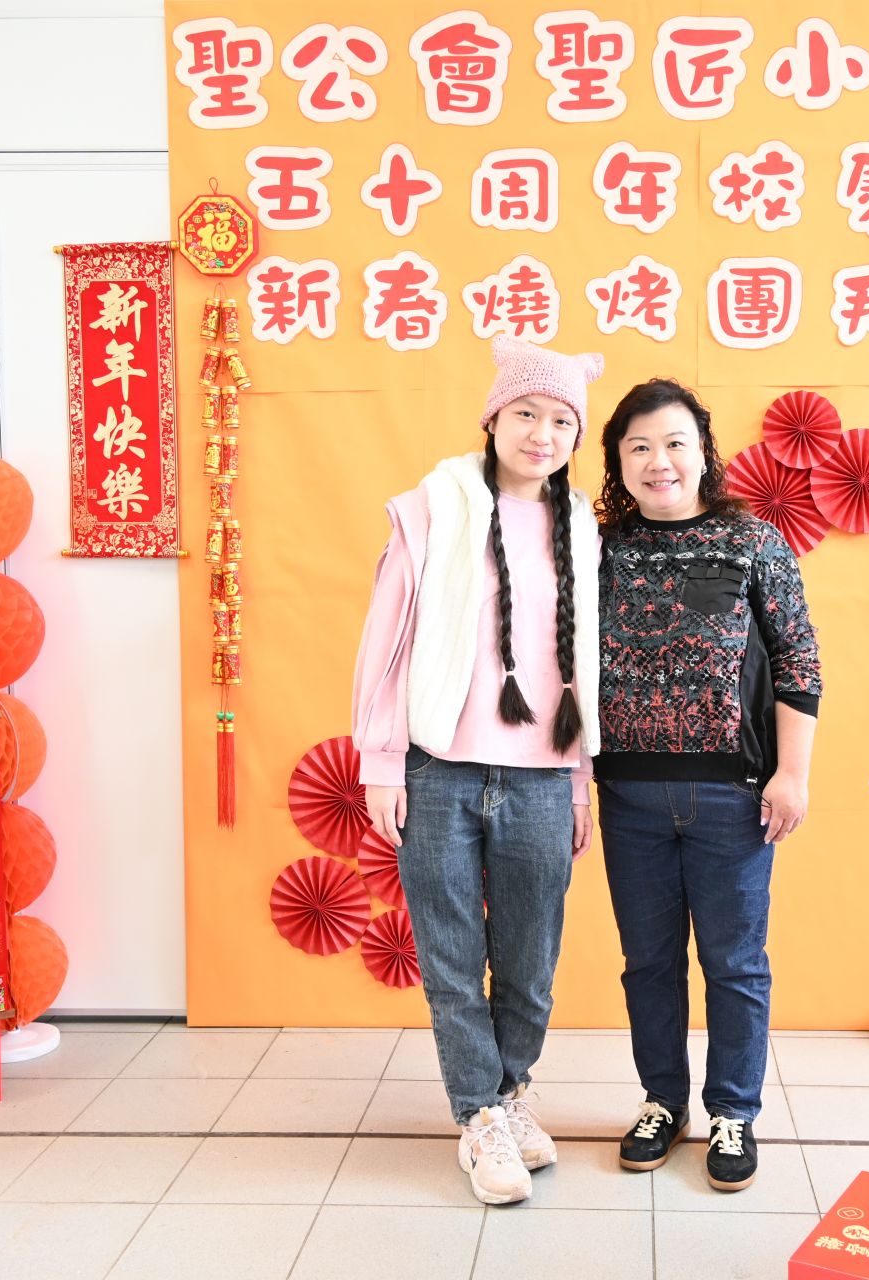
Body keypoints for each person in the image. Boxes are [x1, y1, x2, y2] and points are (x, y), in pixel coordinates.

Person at [351, 336, 605, 1206]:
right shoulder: (433, 507)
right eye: (526, 413)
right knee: (452, 955)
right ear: (493, 418)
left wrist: (579, 780)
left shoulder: (582, 525)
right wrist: (382, 761)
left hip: (542, 776)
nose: (542, 434)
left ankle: (512, 1089)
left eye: (562, 420)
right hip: (439, 769)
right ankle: (480, 1117)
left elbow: (584, 662)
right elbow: (389, 638)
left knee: (530, 957)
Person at [593, 378, 822, 1192]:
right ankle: (664, 1102)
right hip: (628, 797)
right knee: (647, 963)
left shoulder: (752, 542)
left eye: (674, 442)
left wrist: (792, 774)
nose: (659, 461)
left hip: (734, 796)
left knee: (733, 963)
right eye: (639, 447)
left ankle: (733, 1112)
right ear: (618, 463)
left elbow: (798, 660)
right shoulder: (598, 550)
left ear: (703, 452)